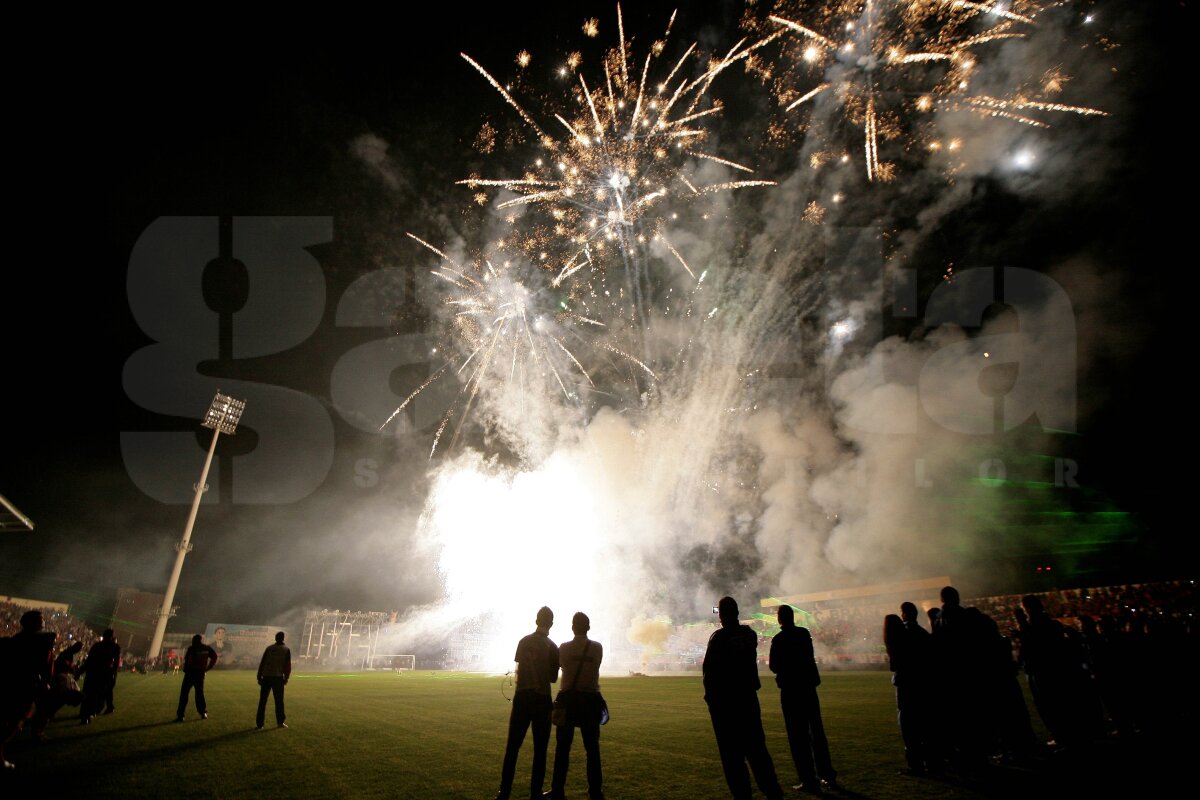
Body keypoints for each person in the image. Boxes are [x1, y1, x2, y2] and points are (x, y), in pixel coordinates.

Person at [703, 596, 784, 800]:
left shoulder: (719, 638)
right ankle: (773, 792)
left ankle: (742, 795)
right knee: (757, 749)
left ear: (721, 615)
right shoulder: (749, 634)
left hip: (726, 703)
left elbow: (709, 672)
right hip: (748, 698)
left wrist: (711, 699)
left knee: (732, 755)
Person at [770, 604, 837, 792]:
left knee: (798, 737)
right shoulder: (804, 634)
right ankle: (827, 774)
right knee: (817, 732)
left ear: (780, 619)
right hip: (808, 687)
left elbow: (774, 666)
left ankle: (808, 779)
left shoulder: (780, 639)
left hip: (791, 690)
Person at [495, 606, 560, 800]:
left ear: (536, 621)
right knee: (540, 750)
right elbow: (553, 678)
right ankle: (535, 793)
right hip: (542, 700)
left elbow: (519, 668)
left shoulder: (523, 641)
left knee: (512, 747)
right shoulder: (553, 646)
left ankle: (504, 792)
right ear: (551, 623)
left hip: (522, 698)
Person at [546, 612, 604, 800]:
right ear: (588, 627)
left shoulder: (564, 648)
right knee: (592, 749)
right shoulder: (597, 648)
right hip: (590, 700)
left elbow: (560, 667)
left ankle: (558, 790)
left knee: (562, 749)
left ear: (573, 627)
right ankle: (595, 792)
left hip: (569, 700)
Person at [0, 610, 56, 769]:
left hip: (15, 685)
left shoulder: (18, 639)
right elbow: (43, 666)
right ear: (34, 623)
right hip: (24, 686)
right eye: (41, 619)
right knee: (15, 721)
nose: (43, 622)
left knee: (14, 719)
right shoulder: (41, 641)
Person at [79, 628, 121, 723]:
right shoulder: (113, 647)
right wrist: (113, 674)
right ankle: (91, 712)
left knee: (92, 693)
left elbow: (89, 660)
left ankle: (88, 713)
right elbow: (116, 663)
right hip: (102, 673)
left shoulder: (98, 646)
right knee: (97, 694)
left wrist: (81, 671)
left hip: (96, 672)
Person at [176, 634, 218, 721]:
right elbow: (214, 657)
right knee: (199, 694)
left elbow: (187, 660)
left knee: (184, 694)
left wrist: (186, 670)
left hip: (190, 674)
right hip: (200, 674)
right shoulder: (206, 648)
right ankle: (203, 713)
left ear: (194, 640)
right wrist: (208, 668)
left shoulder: (191, 648)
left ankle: (181, 715)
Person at [256, 631, 291, 729]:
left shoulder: (269, 648)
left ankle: (260, 724)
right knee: (279, 701)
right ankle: (280, 722)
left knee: (262, 701)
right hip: (278, 677)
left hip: (266, 677)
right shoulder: (286, 649)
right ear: (283, 638)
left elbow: (262, 663)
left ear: (275, 638)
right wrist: (286, 678)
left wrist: (259, 676)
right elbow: (287, 666)